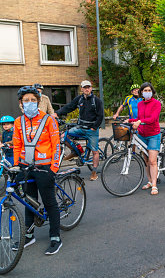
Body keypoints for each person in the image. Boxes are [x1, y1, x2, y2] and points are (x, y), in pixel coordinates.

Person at [12, 86, 62, 255]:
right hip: (26, 167)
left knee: (50, 203)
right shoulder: (19, 122)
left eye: (33, 100)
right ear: (21, 103)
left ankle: (55, 237)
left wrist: (53, 168)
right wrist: (17, 165)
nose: (30, 103)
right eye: (26, 100)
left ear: (39, 102)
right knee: (29, 201)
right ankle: (29, 235)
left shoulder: (48, 120)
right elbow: (17, 144)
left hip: (45, 167)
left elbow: (56, 144)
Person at [53, 80, 104, 181]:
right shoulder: (79, 99)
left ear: (91, 88)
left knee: (95, 152)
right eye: (85, 87)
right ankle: (75, 151)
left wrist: (94, 127)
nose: (87, 89)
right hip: (80, 127)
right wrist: (57, 113)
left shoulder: (96, 101)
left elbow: (100, 115)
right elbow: (69, 107)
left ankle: (94, 172)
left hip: (91, 130)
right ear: (81, 89)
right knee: (63, 136)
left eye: (88, 87)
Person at [129, 82, 162, 195]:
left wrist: (140, 121)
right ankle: (149, 181)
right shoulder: (140, 104)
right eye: (145, 90)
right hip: (142, 135)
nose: (147, 92)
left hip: (153, 134)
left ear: (152, 92)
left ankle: (154, 185)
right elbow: (138, 118)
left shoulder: (157, 103)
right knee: (146, 161)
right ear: (141, 92)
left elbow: (152, 118)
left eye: (149, 90)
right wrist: (129, 121)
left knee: (152, 161)